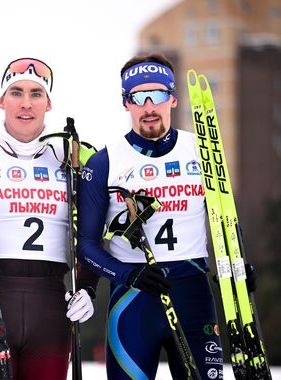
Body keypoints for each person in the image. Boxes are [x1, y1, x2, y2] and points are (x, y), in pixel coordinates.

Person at [0, 58, 98, 380]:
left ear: (48, 102)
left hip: (51, 310)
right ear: (1, 100)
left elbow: (89, 236)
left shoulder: (69, 160)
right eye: (16, 92)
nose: (26, 103)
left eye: (36, 93)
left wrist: (89, 288)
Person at [77, 53, 224, 379]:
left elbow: (225, 217)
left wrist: (238, 268)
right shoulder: (104, 162)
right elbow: (86, 245)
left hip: (194, 294)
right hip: (133, 300)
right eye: (137, 97)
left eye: (157, 95)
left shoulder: (202, 150)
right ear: (125, 103)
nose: (148, 106)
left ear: (172, 98)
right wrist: (128, 275)